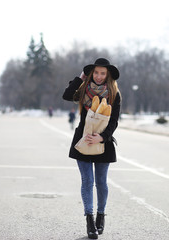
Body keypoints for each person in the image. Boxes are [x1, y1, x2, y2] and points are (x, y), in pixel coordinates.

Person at [62, 58, 121, 239]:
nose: (99, 76)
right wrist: (80, 78)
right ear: (91, 73)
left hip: (103, 142)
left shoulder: (113, 94)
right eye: (96, 72)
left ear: (107, 75)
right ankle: (89, 220)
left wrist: (102, 137)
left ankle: (100, 215)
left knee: (101, 182)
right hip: (84, 140)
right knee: (87, 181)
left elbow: (114, 121)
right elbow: (66, 95)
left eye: (103, 73)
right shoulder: (83, 91)